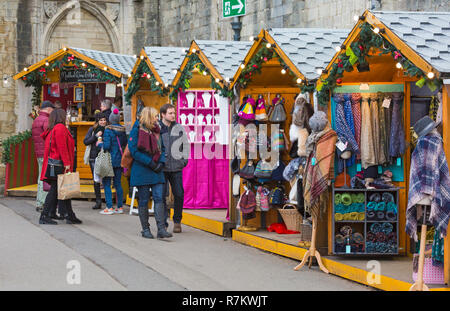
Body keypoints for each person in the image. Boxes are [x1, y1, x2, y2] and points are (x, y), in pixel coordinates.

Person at [128, 106, 172, 239]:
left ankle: (161, 229)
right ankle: (145, 229)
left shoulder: (157, 130)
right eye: (155, 116)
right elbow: (133, 151)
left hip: (156, 169)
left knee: (159, 197)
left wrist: (161, 162)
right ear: (148, 117)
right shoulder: (137, 129)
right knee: (144, 199)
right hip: (142, 169)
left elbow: (163, 148)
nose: (157, 119)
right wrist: (150, 163)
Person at [39, 108, 82, 225]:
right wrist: (67, 164)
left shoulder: (52, 129)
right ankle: (44, 215)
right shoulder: (60, 128)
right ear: (61, 117)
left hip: (54, 164)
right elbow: (62, 147)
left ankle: (65, 214)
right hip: (60, 164)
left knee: (62, 189)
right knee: (55, 190)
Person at [159, 103, 189, 233]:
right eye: (170, 113)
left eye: (173, 113)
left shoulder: (179, 128)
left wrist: (183, 161)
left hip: (176, 167)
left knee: (179, 194)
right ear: (163, 115)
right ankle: (163, 222)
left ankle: (177, 221)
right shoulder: (157, 128)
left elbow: (185, 146)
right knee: (161, 195)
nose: (173, 115)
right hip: (162, 167)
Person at [98, 108, 127, 215]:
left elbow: (106, 146)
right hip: (119, 160)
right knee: (118, 183)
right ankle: (119, 207)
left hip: (109, 160)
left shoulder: (108, 130)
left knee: (106, 183)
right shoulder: (123, 130)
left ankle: (109, 207)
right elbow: (124, 144)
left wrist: (99, 143)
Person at [32, 100, 54, 213]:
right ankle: (42, 202)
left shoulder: (36, 119)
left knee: (40, 176)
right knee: (44, 178)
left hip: (38, 152)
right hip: (45, 152)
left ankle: (40, 202)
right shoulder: (46, 120)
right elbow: (49, 135)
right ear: (49, 109)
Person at [83, 112, 107, 210]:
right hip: (94, 157)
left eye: (104, 120)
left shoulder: (108, 129)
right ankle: (98, 201)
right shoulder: (92, 129)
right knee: (96, 180)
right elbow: (85, 141)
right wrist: (95, 136)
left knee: (106, 179)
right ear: (97, 121)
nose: (103, 122)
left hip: (105, 156)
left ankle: (108, 201)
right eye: (101, 120)